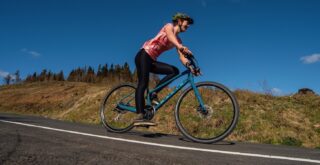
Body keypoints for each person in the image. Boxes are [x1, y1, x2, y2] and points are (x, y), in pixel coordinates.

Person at [134, 13, 197, 126]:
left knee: (174, 71)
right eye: (186, 24)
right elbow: (170, 36)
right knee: (143, 83)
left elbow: (182, 57)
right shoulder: (169, 26)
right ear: (179, 21)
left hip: (152, 60)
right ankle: (139, 115)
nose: (187, 27)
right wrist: (180, 46)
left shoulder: (178, 41)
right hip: (144, 54)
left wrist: (191, 67)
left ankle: (154, 94)